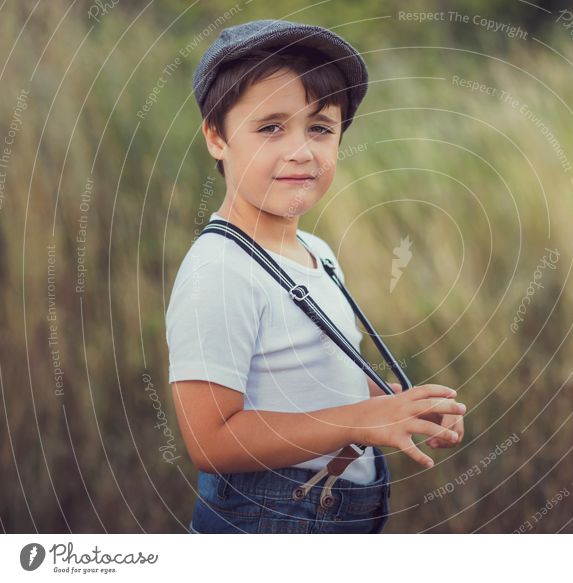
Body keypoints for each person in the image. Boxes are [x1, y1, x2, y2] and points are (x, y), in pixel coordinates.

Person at [166, 19, 466, 534]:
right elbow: (210, 441)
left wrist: (396, 405)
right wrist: (361, 422)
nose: (301, 151)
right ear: (217, 137)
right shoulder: (219, 269)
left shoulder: (316, 251)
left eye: (321, 128)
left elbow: (310, 384)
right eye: (270, 128)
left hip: (341, 514)